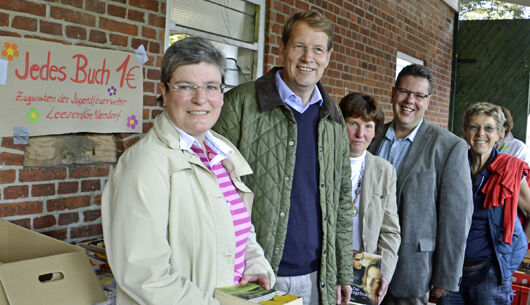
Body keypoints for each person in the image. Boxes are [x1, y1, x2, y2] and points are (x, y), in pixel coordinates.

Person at [101, 37, 275, 305]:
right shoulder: (145, 164)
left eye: (211, 87)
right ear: (164, 91)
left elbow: (239, 227)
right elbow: (144, 274)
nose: (201, 99)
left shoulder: (221, 152)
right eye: (186, 86)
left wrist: (255, 265)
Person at [213, 10, 353, 305]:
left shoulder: (333, 117)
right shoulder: (240, 104)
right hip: (255, 273)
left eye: (317, 49)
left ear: (328, 56)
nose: (308, 58)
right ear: (283, 48)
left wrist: (342, 273)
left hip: (318, 277)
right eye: (299, 46)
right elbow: (213, 191)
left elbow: (341, 202)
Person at [368, 64, 474, 305]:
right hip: (365, 265)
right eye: (405, 92)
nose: (410, 101)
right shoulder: (370, 137)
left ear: (428, 101)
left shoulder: (449, 147)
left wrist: (446, 277)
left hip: (412, 270)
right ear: (393, 93)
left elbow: (456, 219)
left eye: (419, 95)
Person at [439, 102, 529, 305]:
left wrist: (507, 263)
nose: (481, 133)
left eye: (488, 128)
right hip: (451, 273)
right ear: (465, 130)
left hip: (488, 277)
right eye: (474, 126)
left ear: (499, 134)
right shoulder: (452, 164)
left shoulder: (509, 170)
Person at [339, 92, 401, 304]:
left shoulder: (385, 170)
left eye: (368, 126)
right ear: (341, 124)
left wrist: (385, 272)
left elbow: (390, 230)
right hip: (327, 268)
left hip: (365, 272)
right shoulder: (324, 163)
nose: (360, 134)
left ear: (375, 132)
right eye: (353, 124)